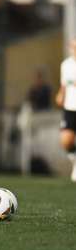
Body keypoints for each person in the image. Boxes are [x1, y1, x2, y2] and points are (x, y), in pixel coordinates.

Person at [56, 39, 76, 182]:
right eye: (73, 46)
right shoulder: (66, 65)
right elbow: (64, 84)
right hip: (70, 107)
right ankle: (75, 159)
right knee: (66, 141)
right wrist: (60, 94)